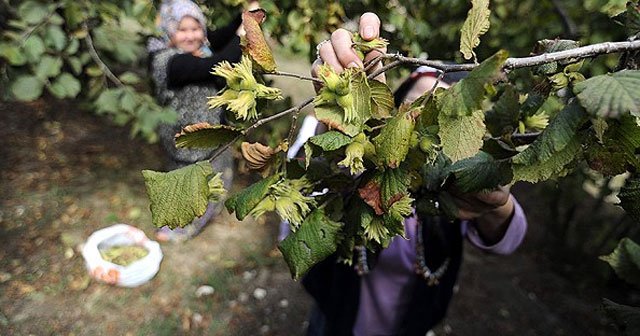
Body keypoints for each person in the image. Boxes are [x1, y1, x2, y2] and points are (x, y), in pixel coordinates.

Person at [296, 13, 528, 335]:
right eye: (419, 103)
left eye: (444, 114)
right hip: (336, 312)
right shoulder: (368, 159)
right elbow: (304, 197)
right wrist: (338, 125)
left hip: (412, 321)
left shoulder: (456, 184)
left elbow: (509, 238)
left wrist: (496, 202)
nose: (424, 119)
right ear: (394, 106)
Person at [147, 0, 257, 242]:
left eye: (196, 29)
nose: (191, 36)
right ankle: (177, 227)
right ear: (168, 29)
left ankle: (200, 218)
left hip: (209, 133)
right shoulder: (168, 61)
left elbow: (217, 37)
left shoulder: (199, 47)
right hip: (186, 141)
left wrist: (245, 16)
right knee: (187, 185)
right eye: (182, 30)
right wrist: (245, 33)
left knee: (212, 180)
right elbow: (217, 64)